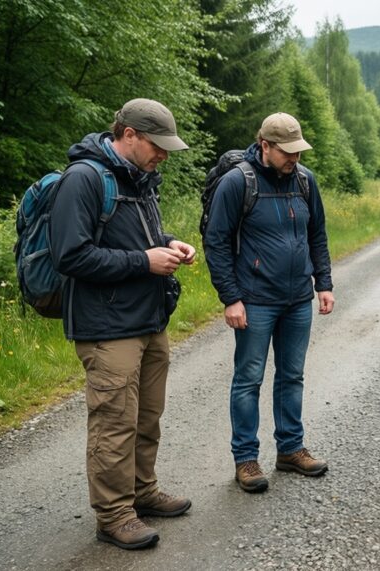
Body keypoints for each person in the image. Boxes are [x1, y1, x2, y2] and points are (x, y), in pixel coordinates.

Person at [50, 98, 195, 550]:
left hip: (148, 318)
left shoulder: (142, 177)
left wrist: (171, 244)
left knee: (147, 415)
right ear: (128, 135)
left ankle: (142, 492)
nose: (164, 156)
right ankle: (113, 515)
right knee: (115, 422)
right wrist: (144, 261)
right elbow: (70, 255)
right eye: (158, 146)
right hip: (107, 326)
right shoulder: (84, 179)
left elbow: (143, 238)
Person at [204, 112, 334, 494]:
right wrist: (231, 298)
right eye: (287, 152)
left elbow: (318, 234)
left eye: (298, 151)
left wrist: (323, 283)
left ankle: (290, 449)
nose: (294, 158)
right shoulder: (237, 183)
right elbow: (217, 243)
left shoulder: (305, 181)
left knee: (292, 376)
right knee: (249, 379)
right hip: (255, 300)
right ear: (265, 146)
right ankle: (246, 459)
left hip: (297, 299)